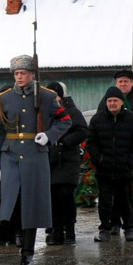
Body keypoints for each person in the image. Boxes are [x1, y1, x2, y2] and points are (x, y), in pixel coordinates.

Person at [0, 56, 73, 265]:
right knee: (13, 202)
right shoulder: (4, 98)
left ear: (32, 74)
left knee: (32, 203)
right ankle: (16, 237)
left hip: (34, 154)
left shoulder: (47, 97)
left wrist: (49, 135)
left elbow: (66, 120)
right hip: (10, 155)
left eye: (23, 73)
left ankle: (28, 250)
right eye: (16, 73)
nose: (19, 77)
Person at [88, 86, 133, 243]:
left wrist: (130, 160)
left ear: (122, 102)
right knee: (105, 201)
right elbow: (91, 143)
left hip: (124, 169)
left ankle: (129, 228)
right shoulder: (97, 120)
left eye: (115, 100)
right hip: (104, 169)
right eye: (109, 101)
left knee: (126, 200)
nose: (112, 104)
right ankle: (104, 229)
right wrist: (99, 160)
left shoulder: (132, 119)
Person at [44, 81, 89, 245]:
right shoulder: (45, 112)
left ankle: (69, 231)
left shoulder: (71, 111)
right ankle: (56, 232)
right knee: (53, 198)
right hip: (51, 160)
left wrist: (64, 142)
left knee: (66, 196)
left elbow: (83, 131)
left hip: (68, 160)